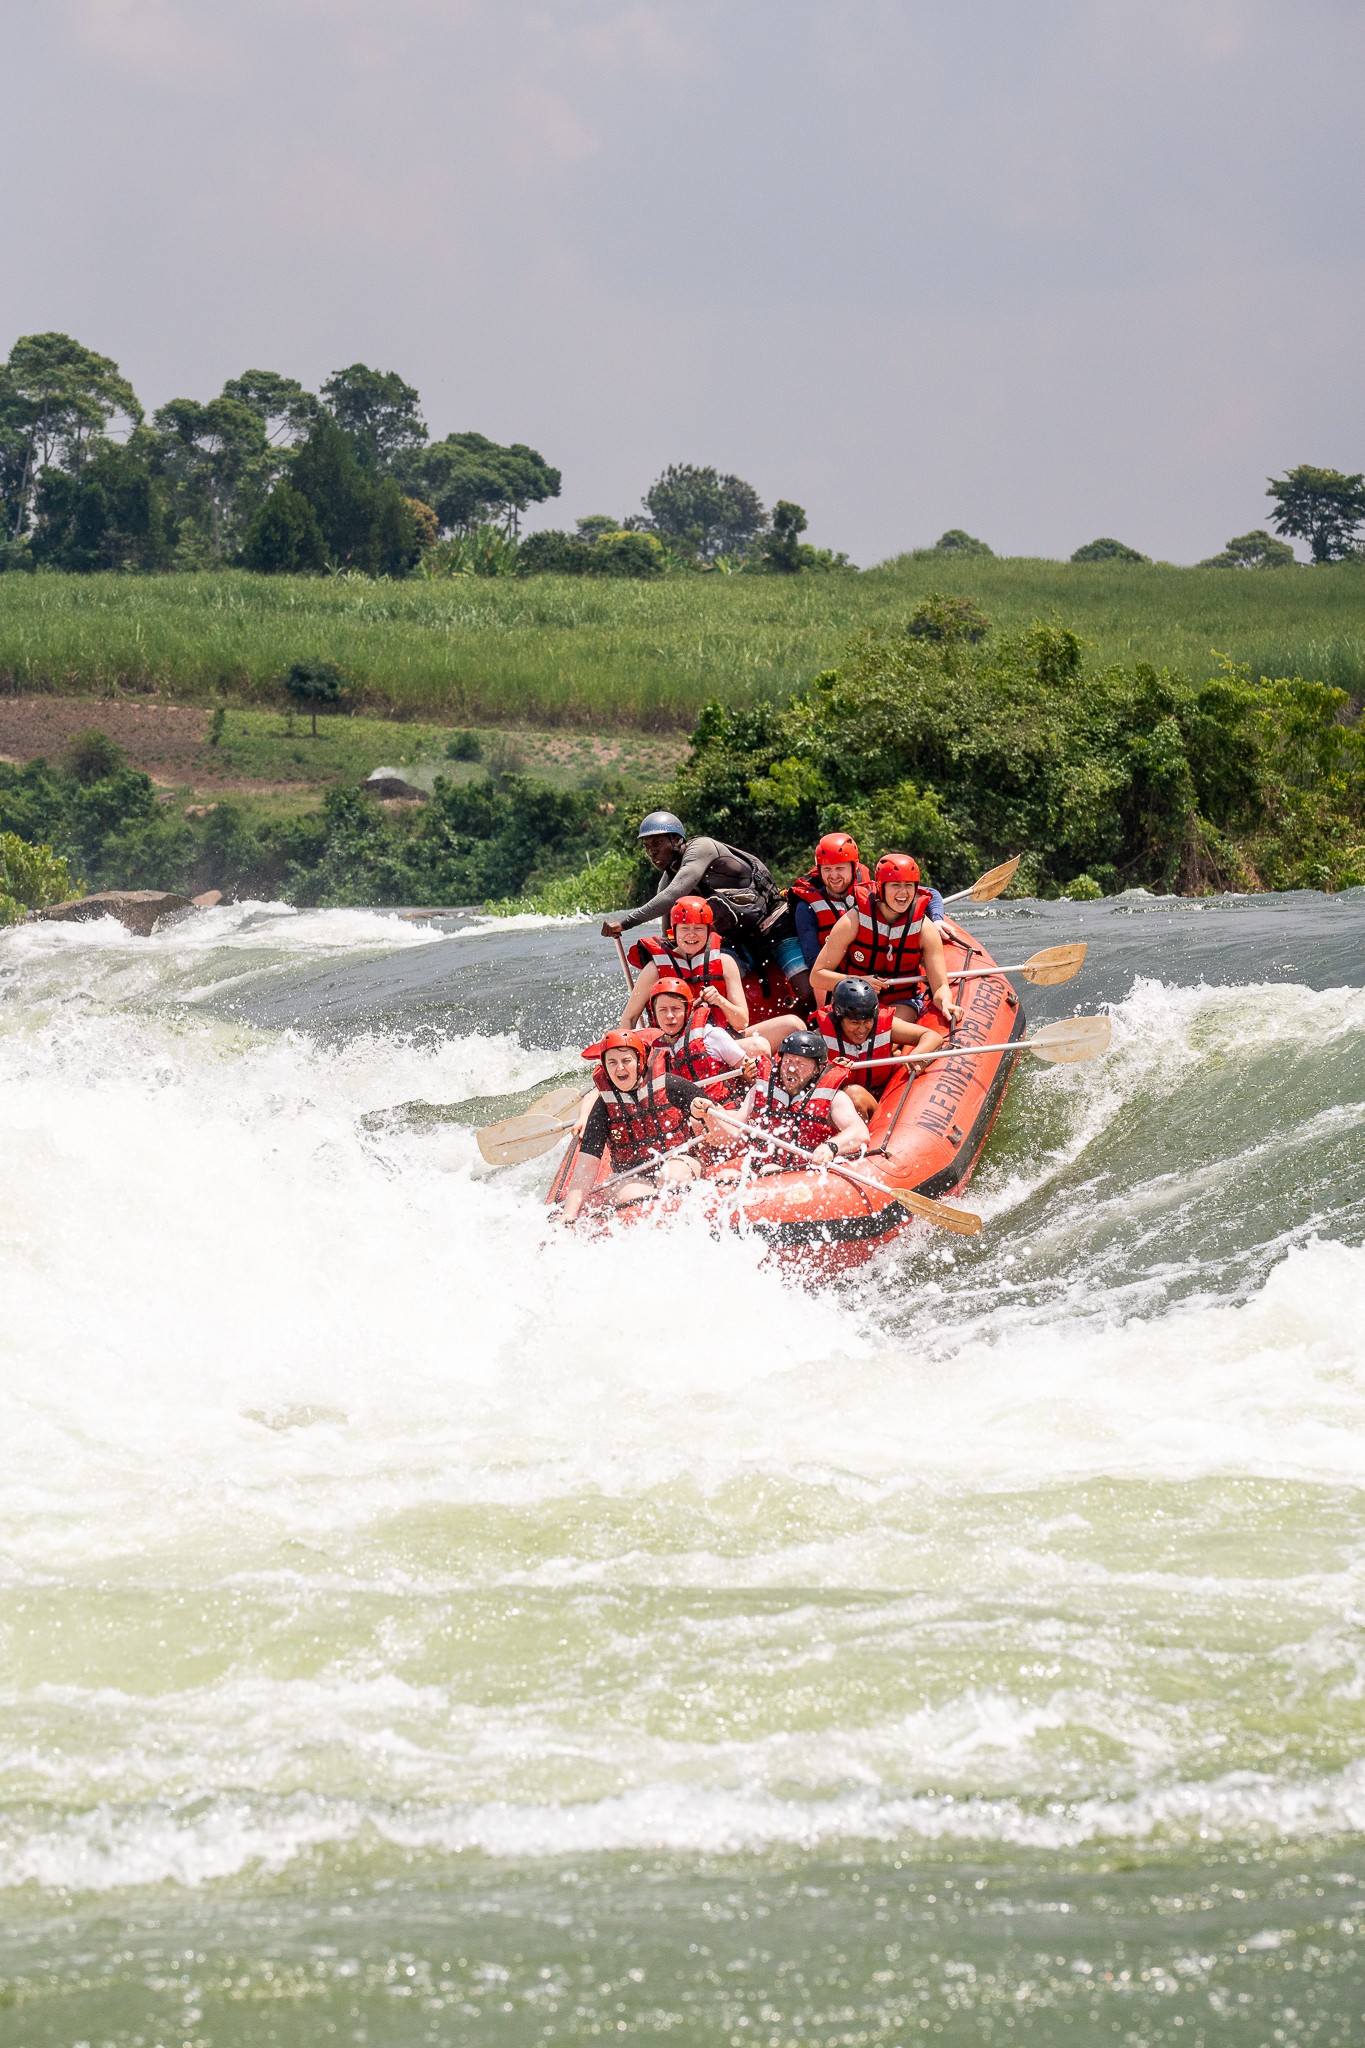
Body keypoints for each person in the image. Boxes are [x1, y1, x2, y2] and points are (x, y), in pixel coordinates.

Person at [601, 810, 804, 989]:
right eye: (646, 846)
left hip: (774, 926)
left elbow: (672, 895)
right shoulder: (668, 879)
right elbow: (670, 934)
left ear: (675, 839)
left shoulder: (701, 848)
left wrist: (625, 923)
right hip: (739, 940)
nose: (651, 851)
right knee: (709, 977)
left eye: (657, 843)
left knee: (804, 989)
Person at [558, 1030, 716, 1225]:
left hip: (679, 1161)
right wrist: (570, 1213)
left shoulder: (668, 1084)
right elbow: (587, 1165)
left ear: (640, 1062)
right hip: (632, 1175)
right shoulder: (603, 1107)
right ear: (605, 1068)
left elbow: (712, 1116)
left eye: (626, 1060)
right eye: (612, 1063)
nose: (620, 1069)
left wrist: (701, 1111)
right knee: (632, 1200)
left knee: (672, 1177)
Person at [811, 853, 959, 1032]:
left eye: (909, 886)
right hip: (854, 1001)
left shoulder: (924, 928)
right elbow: (817, 976)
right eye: (896, 885)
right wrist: (858, 981)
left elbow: (940, 986)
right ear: (881, 888)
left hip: (901, 1001)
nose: (903, 893)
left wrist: (945, 1002)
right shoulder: (853, 921)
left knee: (882, 1031)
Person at [718, 1028, 869, 1169]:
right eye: (788, 1061)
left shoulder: (835, 1098)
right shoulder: (761, 1090)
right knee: (727, 1174)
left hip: (806, 1173)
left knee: (770, 1169)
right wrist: (709, 1115)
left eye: (800, 1064)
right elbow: (733, 1134)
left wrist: (831, 1147)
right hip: (761, 1169)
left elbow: (860, 1133)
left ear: (818, 1068)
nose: (791, 1068)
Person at [814, 976, 946, 1121]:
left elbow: (932, 1036)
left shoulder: (883, 1024)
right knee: (852, 1094)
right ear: (839, 1018)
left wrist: (917, 1055)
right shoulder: (820, 1037)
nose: (862, 1029)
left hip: (880, 1099)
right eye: (854, 1022)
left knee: (855, 1094)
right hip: (838, 1107)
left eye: (867, 1021)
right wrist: (829, 1070)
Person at [619, 897, 750, 1033]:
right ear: (673, 932)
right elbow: (629, 1018)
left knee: (760, 1043)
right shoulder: (654, 970)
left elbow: (743, 1022)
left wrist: (720, 1001)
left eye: (698, 928)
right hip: (672, 1048)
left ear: (709, 931)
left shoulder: (726, 963)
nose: (691, 934)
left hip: (719, 1043)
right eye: (685, 928)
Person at [643, 977, 760, 1101]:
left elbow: (750, 1077)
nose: (670, 1016)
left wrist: (750, 1072)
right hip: (685, 1117)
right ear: (654, 1015)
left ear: (687, 1010)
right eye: (662, 1010)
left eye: (676, 1009)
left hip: (723, 1111)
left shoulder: (711, 1036)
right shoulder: (652, 1052)